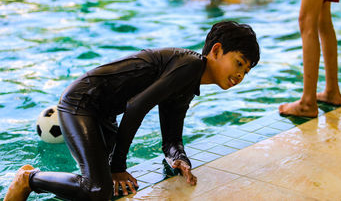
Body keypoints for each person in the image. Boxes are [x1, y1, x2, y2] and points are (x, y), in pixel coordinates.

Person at [5, 20, 260, 201]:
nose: (240, 74)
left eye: (246, 71)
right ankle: (28, 178)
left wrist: (179, 159)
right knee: (98, 190)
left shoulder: (188, 84)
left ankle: (46, 179)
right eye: (238, 63)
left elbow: (171, 139)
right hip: (81, 103)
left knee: (100, 185)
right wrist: (119, 165)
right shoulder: (190, 65)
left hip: (102, 114)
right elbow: (136, 106)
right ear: (216, 50)